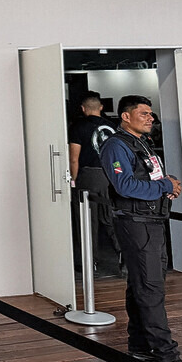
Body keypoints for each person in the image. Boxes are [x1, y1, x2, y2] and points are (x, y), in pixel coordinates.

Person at [99, 94, 182, 362]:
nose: (150, 118)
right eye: (144, 113)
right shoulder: (116, 145)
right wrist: (165, 185)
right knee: (150, 288)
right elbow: (125, 186)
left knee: (141, 285)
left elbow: (148, 177)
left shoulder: (142, 142)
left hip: (152, 221)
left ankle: (140, 346)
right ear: (125, 116)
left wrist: (167, 185)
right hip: (135, 223)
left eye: (151, 114)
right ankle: (167, 357)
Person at [68, 91, 121, 276]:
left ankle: (89, 262)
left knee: (86, 220)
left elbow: (74, 158)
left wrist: (73, 180)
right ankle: (125, 259)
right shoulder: (112, 127)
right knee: (111, 219)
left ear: (83, 109)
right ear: (101, 107)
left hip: (88, 175)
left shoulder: (78, 127)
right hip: (110, 175)